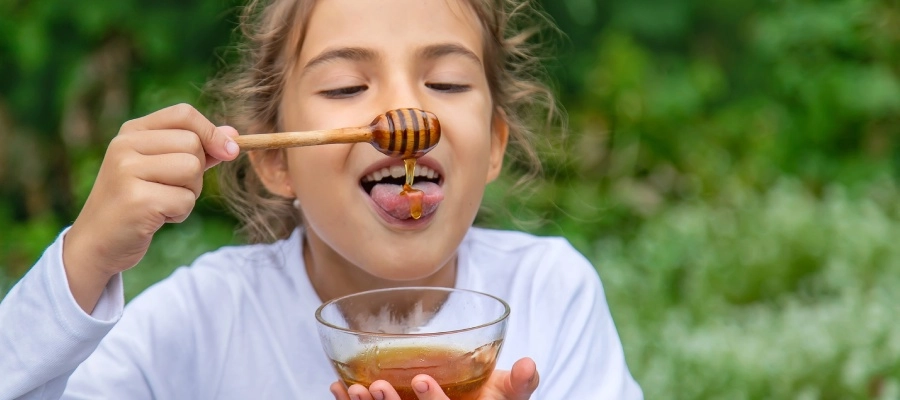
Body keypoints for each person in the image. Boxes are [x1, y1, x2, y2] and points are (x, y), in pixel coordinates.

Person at [0, 0, 643, 398]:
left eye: (445, 80)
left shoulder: (551, 294)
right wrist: (85, 260)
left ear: (495, 145)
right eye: (343, 87)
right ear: (277, 158)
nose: (406, 108)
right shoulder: (204, 320)